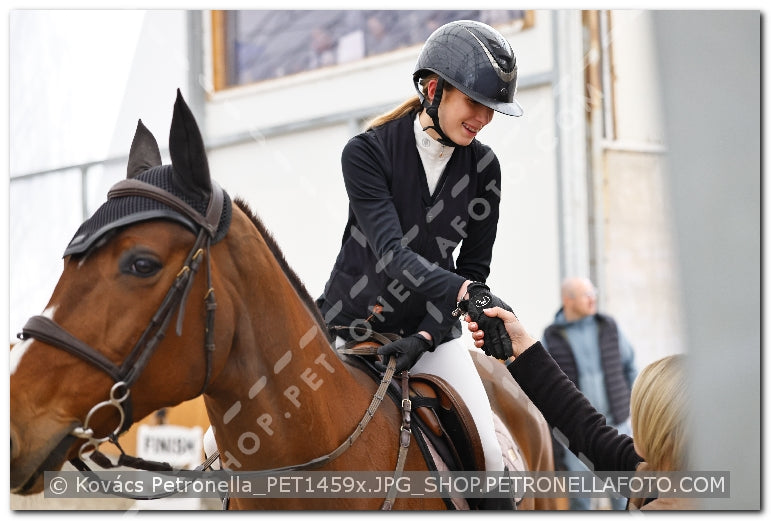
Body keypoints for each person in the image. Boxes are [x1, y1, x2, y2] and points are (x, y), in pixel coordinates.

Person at [316, 19, 522, 480]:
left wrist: (429, 336)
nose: (484, 119)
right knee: (223, 445)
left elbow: (473, 267)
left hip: (429, 338)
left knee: (489, 461)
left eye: (492, 109)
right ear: (433, 89)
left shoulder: (485, 168)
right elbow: (392, 254)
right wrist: (467, 293)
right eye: (475, 102)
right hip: (349, 327)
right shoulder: (366, 153)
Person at [465, 306, 694, 510]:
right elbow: (582, 425)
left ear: (658, 428)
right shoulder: (653, 473)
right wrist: (523, 344)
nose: (633, 422)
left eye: (642, 414)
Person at [542, 276, 637, 510]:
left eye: (593, 293)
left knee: (624, 497)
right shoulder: (551, 337)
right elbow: (544, 384)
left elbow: (631, 367)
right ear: (568, 300)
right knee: (580, 500)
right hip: (575, 434)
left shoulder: (609, 327)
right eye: (586, 294)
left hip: (616, 427)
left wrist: (633, 405)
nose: (592, 298)